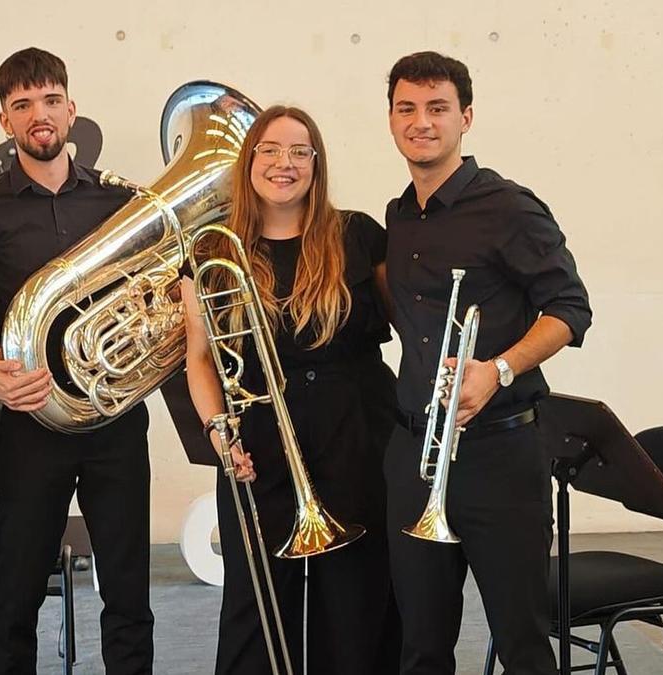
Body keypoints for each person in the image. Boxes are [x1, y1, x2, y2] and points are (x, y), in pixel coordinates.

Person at [382, 51, 592, 674]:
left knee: (523, 646)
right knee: (418, 648)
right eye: (407, 108)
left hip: (500, 457)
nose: (422, 122)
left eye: (438, 108)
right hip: (414, 456)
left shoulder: (509, 207)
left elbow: (570, 308)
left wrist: (497, 368)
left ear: (466, 117)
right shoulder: (398, 216)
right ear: (391, 119)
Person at [0, 47, 155, 674]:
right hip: (31, 421)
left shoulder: (122, 203)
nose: (39, 115)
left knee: (128, 591)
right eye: (22, 105)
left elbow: (149, 301)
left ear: (71, 108)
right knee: (15, 592)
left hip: (114, 418)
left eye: (50, 100)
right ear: (5, 121)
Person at [181, 105, 400, 675]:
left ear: (316, 164)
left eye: (299, 152)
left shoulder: (357, 235)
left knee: (358, 602)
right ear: (249, 161)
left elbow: (409, 323)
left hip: (355, 429)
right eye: (270, 150)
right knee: (254, 608)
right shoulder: (212, 250)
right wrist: (217, 433)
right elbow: (200, 360)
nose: (284, 163)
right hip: (256, 439)